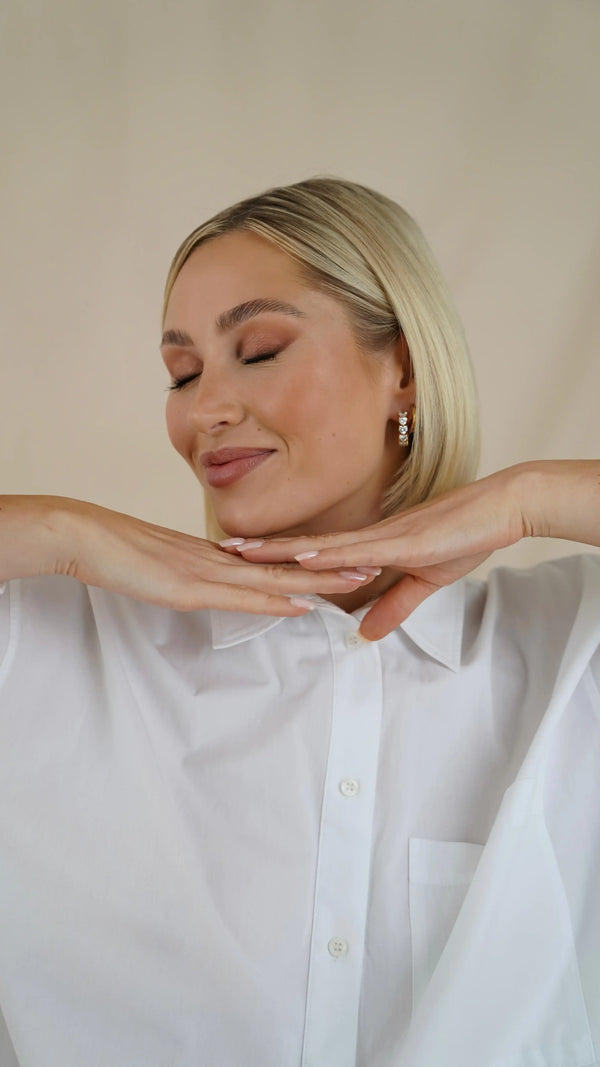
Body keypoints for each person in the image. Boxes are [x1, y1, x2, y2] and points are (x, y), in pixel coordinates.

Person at [0, 176, 599, 1067]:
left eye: (260, 350)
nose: (204, 411)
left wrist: (528, 497)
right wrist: (62, 532)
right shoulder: (45, 643)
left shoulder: (569, 650)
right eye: (183, 373)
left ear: (403, 370)